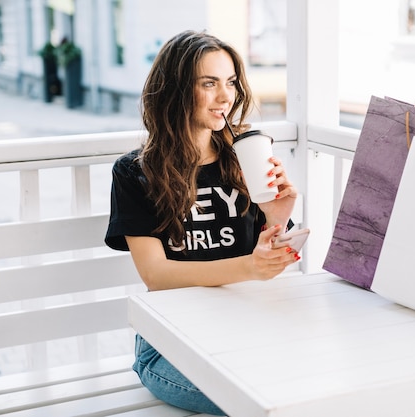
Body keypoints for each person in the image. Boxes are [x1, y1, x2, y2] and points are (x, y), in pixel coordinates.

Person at [104, 30, 300, 415]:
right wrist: (248, 267)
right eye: (208, 84)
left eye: (229, 83)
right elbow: (156, 275)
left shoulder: (243, 159)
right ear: (175, 89)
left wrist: (277, 218)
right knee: (264, 399)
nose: (225, 97)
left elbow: (268, 262)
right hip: (171, 347)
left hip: (248, 332)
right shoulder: (135, 172)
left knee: (295, 384)